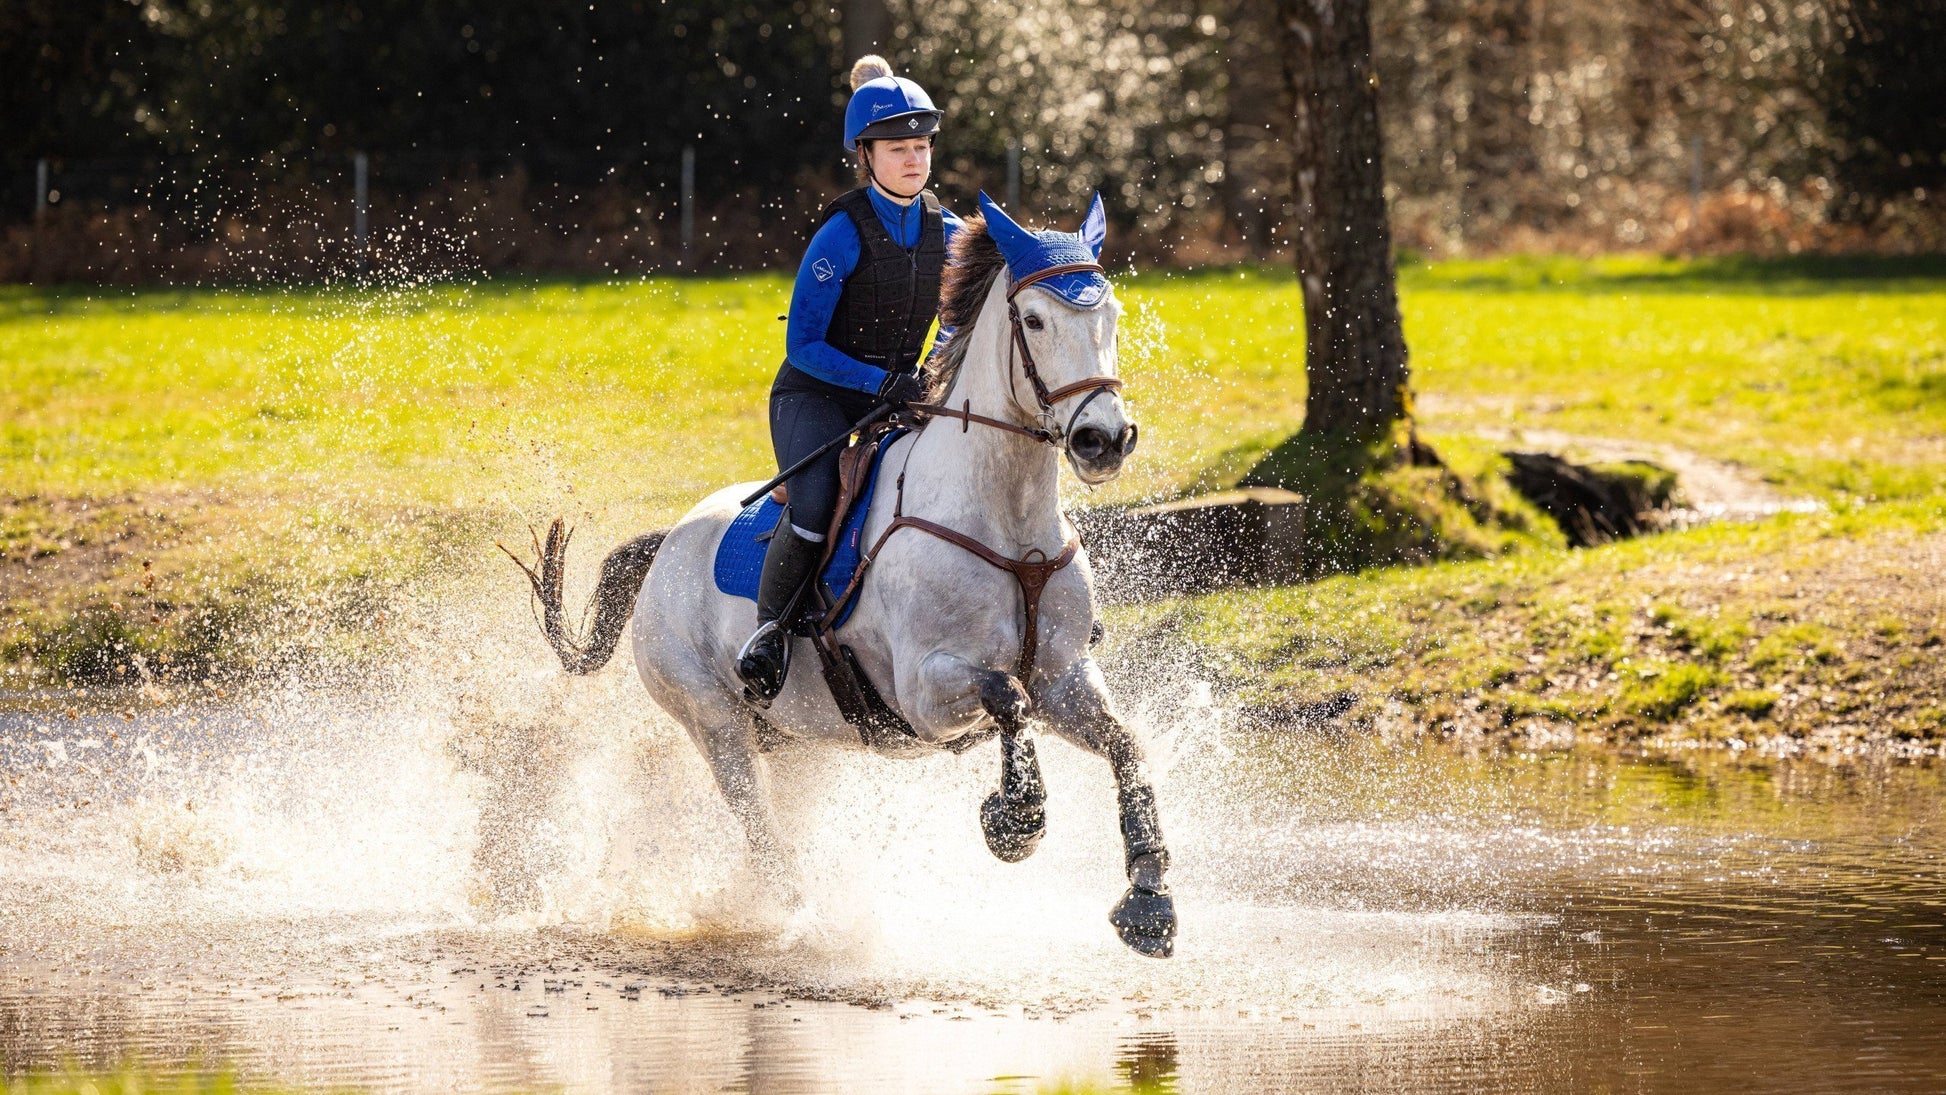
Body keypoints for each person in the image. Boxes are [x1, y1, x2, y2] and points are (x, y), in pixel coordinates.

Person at [735, 55, 965, 705]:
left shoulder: (947, 233)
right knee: (813, 503)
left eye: (921, 146)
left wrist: (929, 371)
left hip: (896, 393)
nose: (915, 159)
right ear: (865, 156)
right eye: (898, 148)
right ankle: (769, 635)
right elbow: (801, 344)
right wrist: (878, 381)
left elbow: (954, 321)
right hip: (815, 395)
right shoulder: (840, 233)